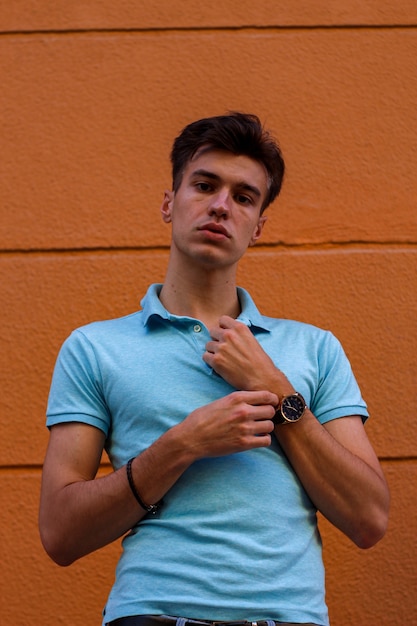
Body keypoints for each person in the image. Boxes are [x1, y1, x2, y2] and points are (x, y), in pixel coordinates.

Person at [39, 112, 390, 626]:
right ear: (169, 202)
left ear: (259, 227)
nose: (221, 205)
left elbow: (369, 519)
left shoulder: (315, 349)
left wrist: (273, 387)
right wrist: (182, 444)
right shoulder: (94, 348)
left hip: (288, 617)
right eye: (204, 185)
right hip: (152, 615)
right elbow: (60, 534)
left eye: (244, 197)